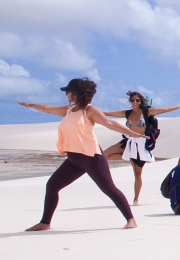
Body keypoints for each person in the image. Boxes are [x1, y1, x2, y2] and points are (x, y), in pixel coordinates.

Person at [17, 78, 142, 231]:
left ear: (76, 93)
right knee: (52, 186)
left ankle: (131, 219)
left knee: (109, 188)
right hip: (73, 160)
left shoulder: (89, 111)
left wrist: (130, 132)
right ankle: (45, 223)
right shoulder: (68, 110)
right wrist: (31, 105)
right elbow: (48, 108)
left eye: (68, 91)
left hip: (92, 158)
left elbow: (109, 123)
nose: (66, 94)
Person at [103, 91, 180, 205]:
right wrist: (88, 109)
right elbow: (109, 113)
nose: (135, 102)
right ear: (130, 102)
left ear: (141, 101)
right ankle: (129, 157)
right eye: (132, 100)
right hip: (128, 141)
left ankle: (136, 199)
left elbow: (164, 110)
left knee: (137, 174)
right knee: (104, 155)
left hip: (141, 145)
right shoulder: (127, 113)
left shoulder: (147, 111)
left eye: (137, 100)